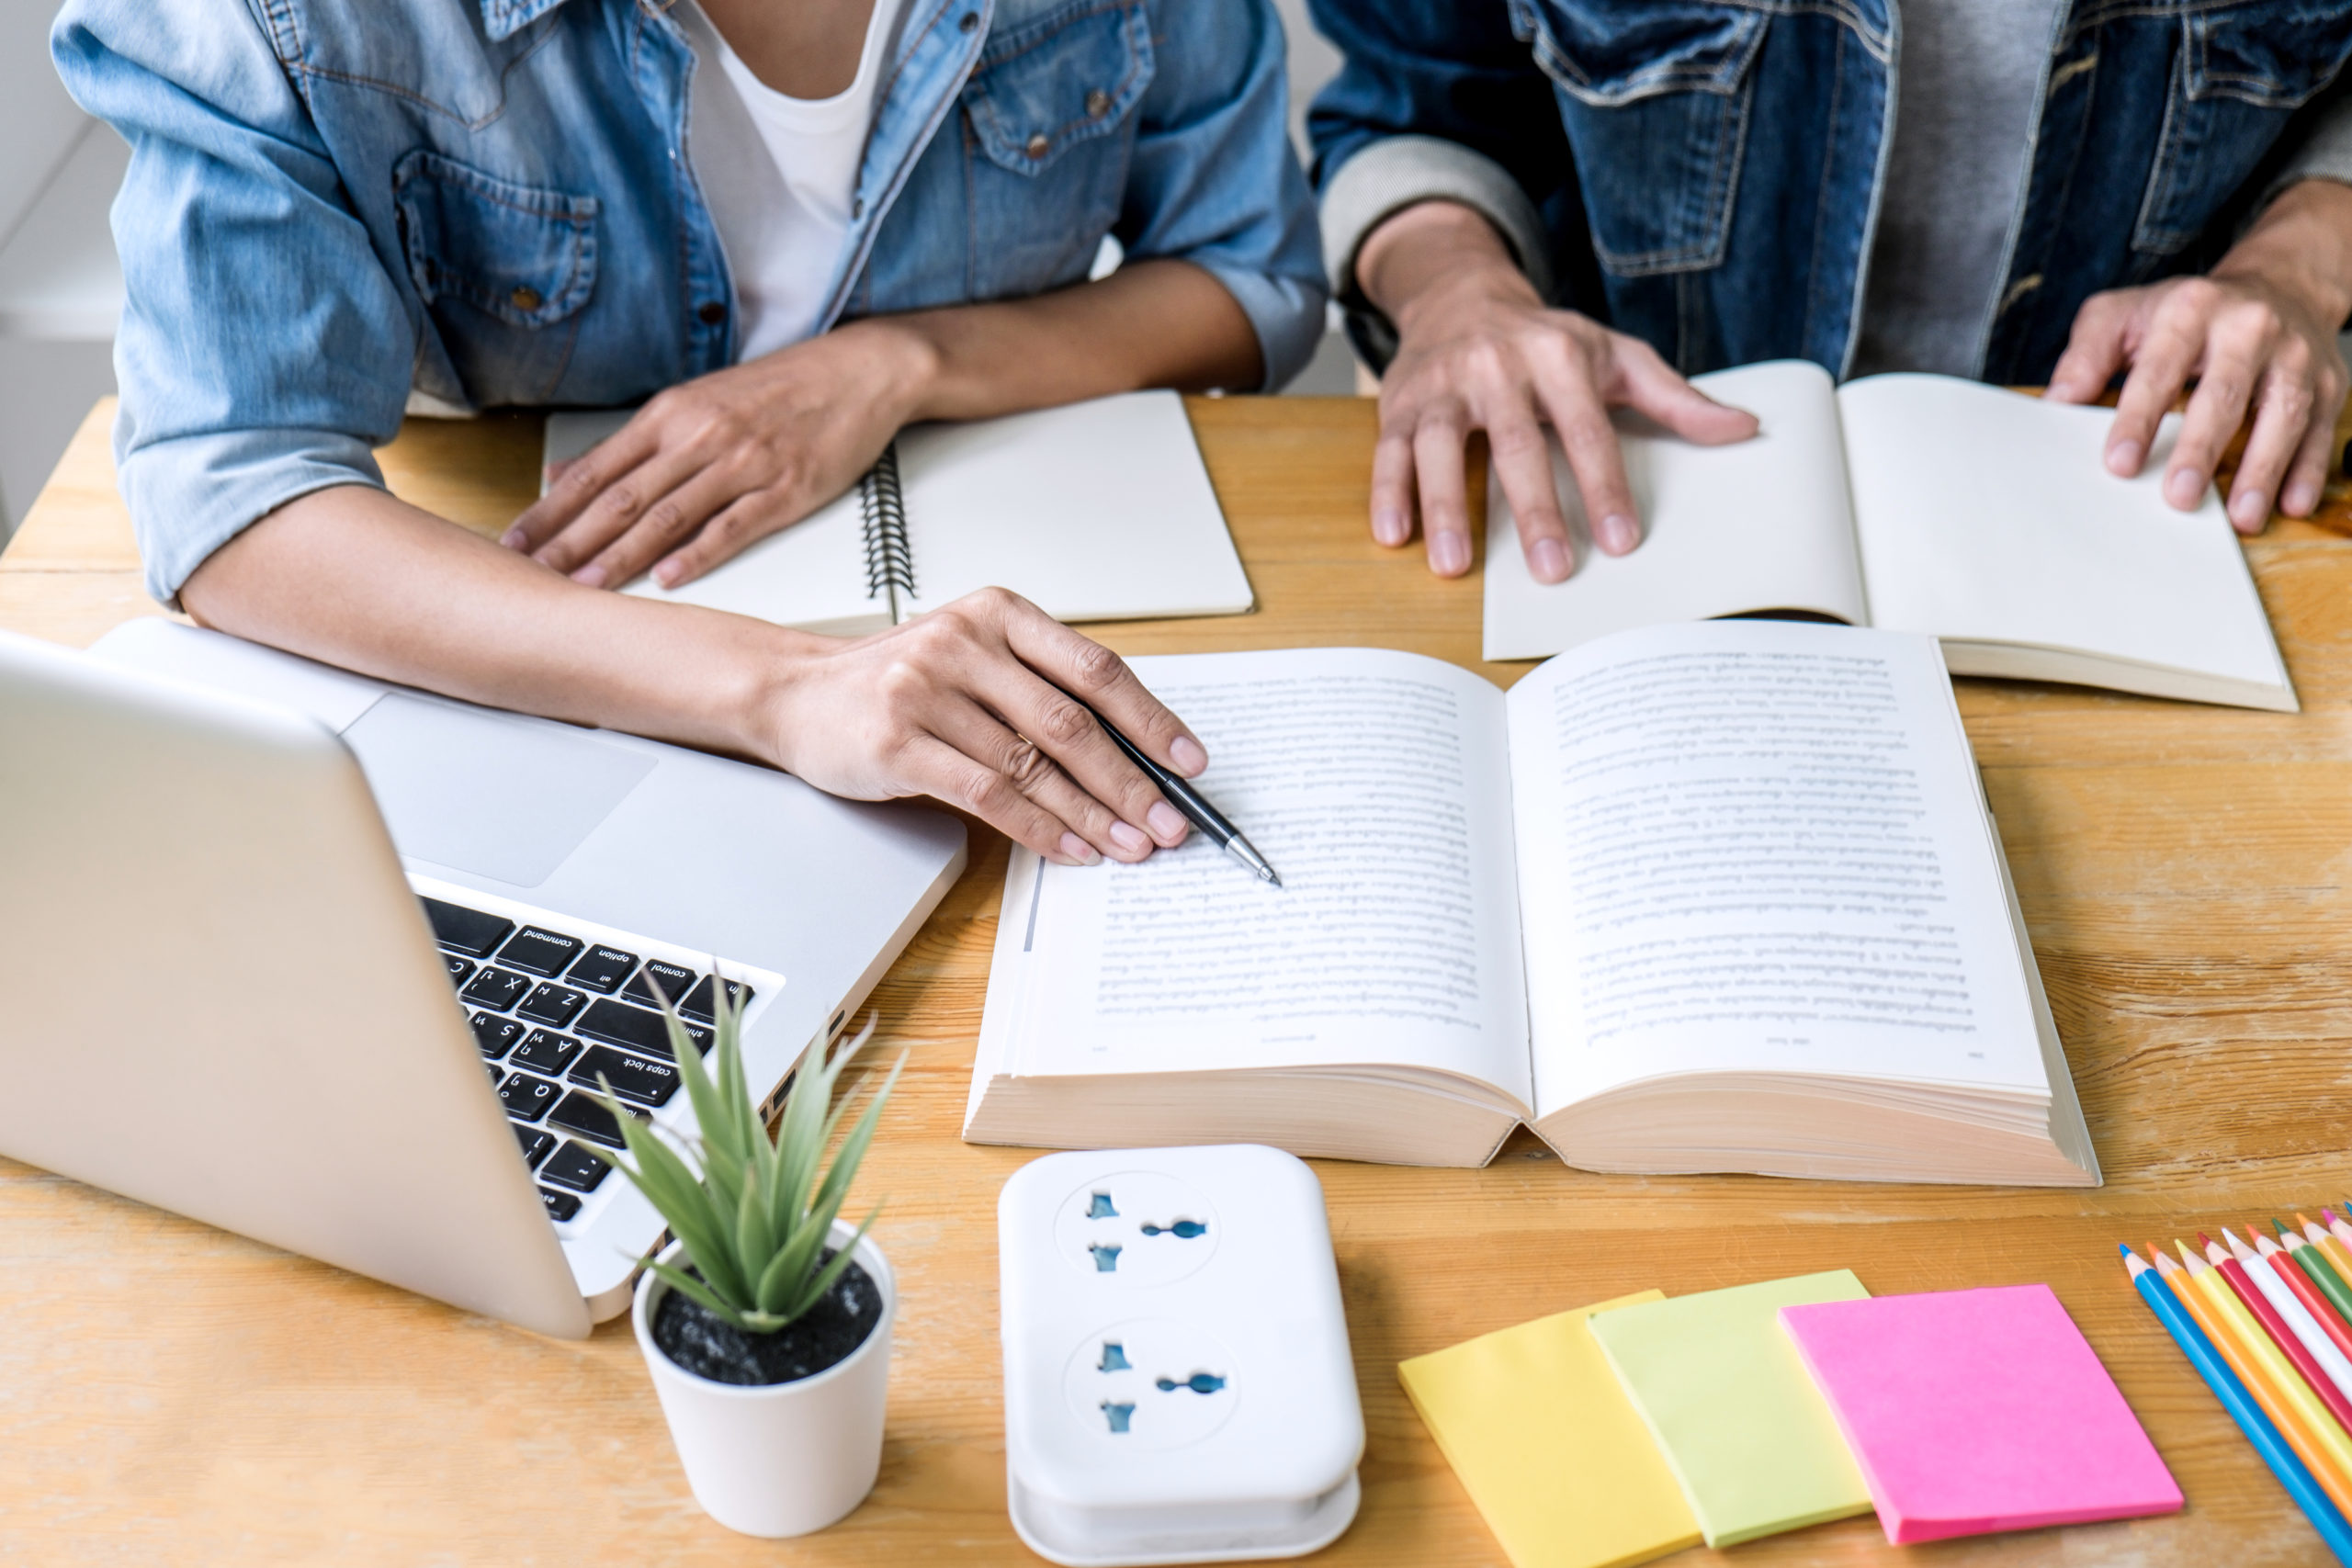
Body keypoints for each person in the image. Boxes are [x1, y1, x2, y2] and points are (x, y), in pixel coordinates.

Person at [52, 0, 1325, 869]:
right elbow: (233, 483)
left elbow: (1251, 274)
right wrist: (783, 689)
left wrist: (900, 364)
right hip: (550, 680)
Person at [1305, 0, 2352, 582]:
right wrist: (1457, 291)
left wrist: (2299, 263)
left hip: (2167, 498)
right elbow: (1414, 106)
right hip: (1619, 499)